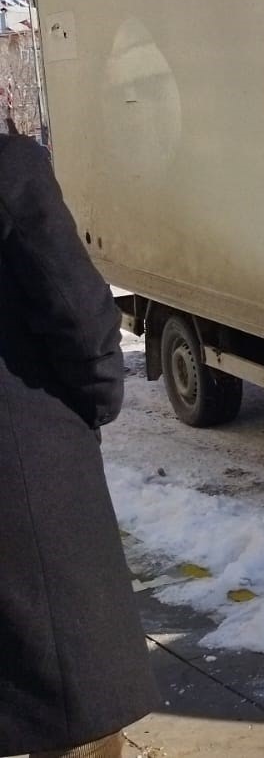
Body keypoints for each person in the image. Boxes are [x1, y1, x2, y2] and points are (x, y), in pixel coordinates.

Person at [0, 130, 157, 758]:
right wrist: (96, 396)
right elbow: (78, 309)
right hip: (26, 474)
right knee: (67, 699)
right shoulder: (9, 168)